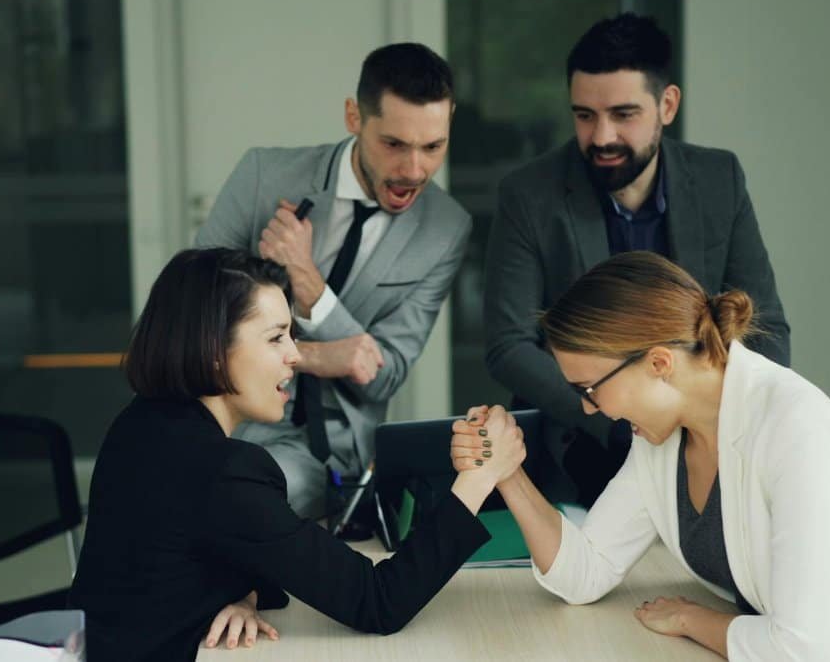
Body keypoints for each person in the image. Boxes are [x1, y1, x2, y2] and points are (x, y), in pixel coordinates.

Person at [69, 248, 524, 662]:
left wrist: (243, 593)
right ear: (212, 351)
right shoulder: (222, 472)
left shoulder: (142, 424)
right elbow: (378, 602)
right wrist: (479, 478)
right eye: (276, 338)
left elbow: (210, 552)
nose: (294, 356)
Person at [456, 251, 830, 660]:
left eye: (591, 389)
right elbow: (584, 573)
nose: (588, 408)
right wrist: (508, 474)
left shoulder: (797, 428)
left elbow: (801, 648)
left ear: (659, 364)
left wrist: (691, 620)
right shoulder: (663, 437)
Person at [483, 13, 790, 506]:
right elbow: (508, 345)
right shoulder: (528, 194)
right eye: (584, 115)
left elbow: (766, 324)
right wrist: (616, 421)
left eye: (624, 114)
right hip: (583, 439)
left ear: (667, 105)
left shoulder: (719, 179)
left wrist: (735, 423)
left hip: (704, 433)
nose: (602, 136)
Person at [196, 42, 471, 521]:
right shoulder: (264, 174)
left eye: (433, 147)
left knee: (243, 502)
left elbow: (382, 375)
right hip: (215, 418)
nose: (414, 170)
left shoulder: (447, 229)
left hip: (319, 448)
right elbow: (188, 320)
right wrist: (322, 356)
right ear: (353, 117)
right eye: (394, 144)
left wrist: (306, 277)